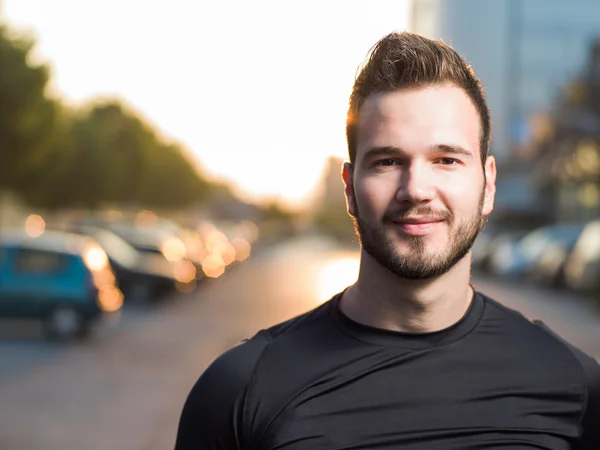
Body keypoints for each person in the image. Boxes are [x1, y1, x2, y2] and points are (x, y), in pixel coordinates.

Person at [174, 31, 600, 449]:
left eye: (446, 160)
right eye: (387, 161)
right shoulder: (239, 392)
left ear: (487, 185)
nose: (415, 188)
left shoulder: (574, 387)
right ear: (349, 188)